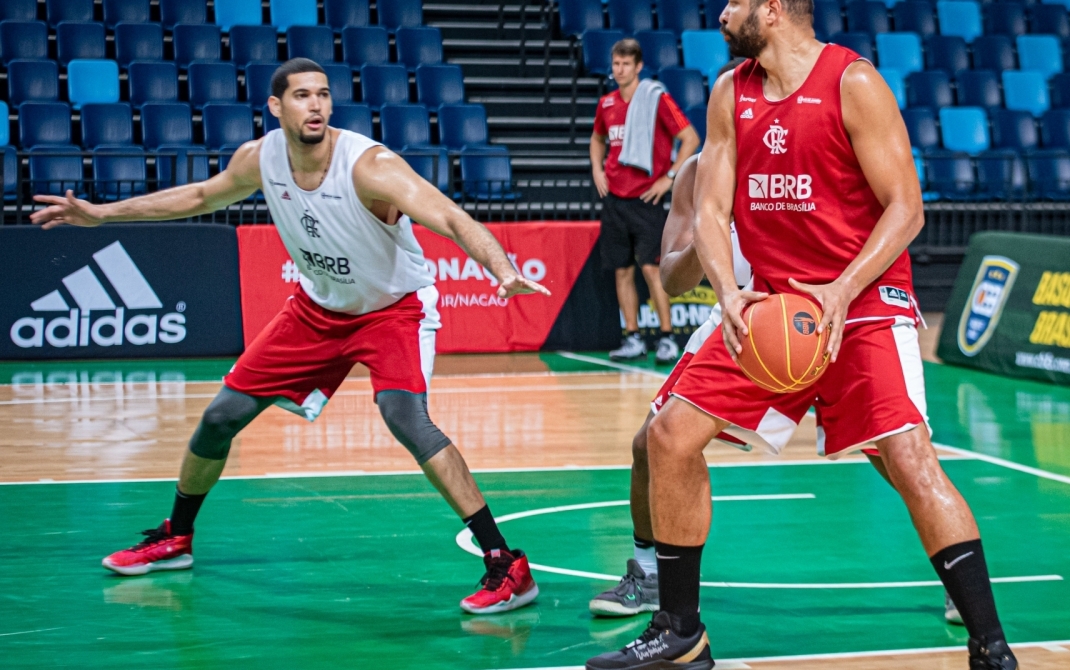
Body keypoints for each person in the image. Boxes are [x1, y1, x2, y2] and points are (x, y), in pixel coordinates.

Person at [585, 0, 1019, 666]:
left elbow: (907, 208)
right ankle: (680, 632)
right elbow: (710, 209)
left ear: (776, 7)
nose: (724, 12)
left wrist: (842, 290)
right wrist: (728, 293)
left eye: (736, 2)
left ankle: (990, 644)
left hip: (864, 299)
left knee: (906, 457)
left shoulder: (854, 83)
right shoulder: (731, 91)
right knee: (668, 436)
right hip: (773, 307)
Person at [31, 59, 546, 616]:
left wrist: (499, 266)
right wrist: (101, 215)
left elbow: (449, 217)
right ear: (276, 106)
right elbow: (200, 197)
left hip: (392, 310)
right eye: (302, 95)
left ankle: (505, 563)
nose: (317, 105)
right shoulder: (261, 158)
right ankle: (175, 537)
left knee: (405, 417)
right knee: (220, 417)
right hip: (317, 309)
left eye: (323, 94)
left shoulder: (370, 166)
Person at [586, 156, 964, 628]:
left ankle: (956, 575)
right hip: (742, 310)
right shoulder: (697, 172)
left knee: (895, 456)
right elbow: (672, 281)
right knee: (651, 442)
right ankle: (649, 573)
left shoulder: (805, 154)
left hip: (820, 307)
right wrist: (712, 237)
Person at [590, 38, 701, 365]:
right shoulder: (607, 104)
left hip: (646, 200)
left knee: (652, 269)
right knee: (621, 272)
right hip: (614, 200)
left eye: (625, 64)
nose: (619, 69)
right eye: (615, 64)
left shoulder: (656, 100)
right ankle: (633, 338)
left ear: (638, 67)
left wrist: (669, 178)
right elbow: (597, 140)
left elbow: (690, 138)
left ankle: (667, 338)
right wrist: (597, 169)